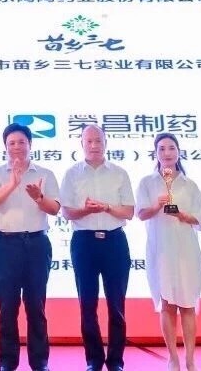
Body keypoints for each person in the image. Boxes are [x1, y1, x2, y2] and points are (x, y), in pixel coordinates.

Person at [0, 123, 60, 371]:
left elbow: (55, 209)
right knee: (7, 306)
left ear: (30, 144)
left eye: (21, 142)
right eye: (11, 143)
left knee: (36, 306)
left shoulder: (45, 173)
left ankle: (40, 362)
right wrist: (12, 183)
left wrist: (39, 197)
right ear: (5, 147)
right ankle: (7, 361)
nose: (17, 147)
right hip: (6, 245)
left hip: (37, 244)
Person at [61, 124, 135, 371]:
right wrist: (86, 210)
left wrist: (107, 208)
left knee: (116, 304)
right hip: (84, 243)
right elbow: (67, 212)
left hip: (115, 242)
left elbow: (129, 211)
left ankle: (116, 361)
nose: (94, 145)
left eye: (98, 141)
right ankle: (93, 360)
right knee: (87, 304)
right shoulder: (72, 174)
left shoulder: (119, 173)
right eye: (89, 141)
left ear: (106, 143)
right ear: (81, 144)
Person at [136, 133, 201, 371]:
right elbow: (140, 214)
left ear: (178, 152)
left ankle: (190, 359)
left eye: (171, 148)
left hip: (187, 251)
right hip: (161, 251)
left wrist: (182, 215)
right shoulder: (147, 183)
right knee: (166, 305)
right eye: (162, 148)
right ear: (156, 153)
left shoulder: (190, 185)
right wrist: (157, 205)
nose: (167, 153)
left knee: (187, 306)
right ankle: (173, 358)